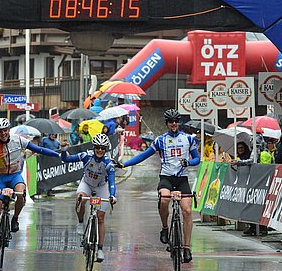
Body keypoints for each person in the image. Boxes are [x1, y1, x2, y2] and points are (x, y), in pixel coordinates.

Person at [117, 109, 200, 263]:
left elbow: (197, 159)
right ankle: (165, 228)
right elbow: (143, 155)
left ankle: (187, 247)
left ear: (179, 123)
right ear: (167, 124)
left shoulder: (188, 139)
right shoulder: (160, 140)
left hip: (182, 179)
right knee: (164, 200)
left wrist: (188, 162)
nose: (173, 124)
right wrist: (123, 165)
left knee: (187, 211)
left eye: (176, 121)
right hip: (166, 177)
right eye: (170, 122)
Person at [0, 118, 61, 260]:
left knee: (20, 193)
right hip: (0, 177)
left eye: (5, 130)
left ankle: (15, 219)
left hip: (14, 176)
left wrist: (57, 154)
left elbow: (39, 149)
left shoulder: (19, 140)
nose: (3, 133)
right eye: (0, 131)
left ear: (9, 130)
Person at [60, 133, 117, 263]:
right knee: (80, 198)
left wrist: (112, 195)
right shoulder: (86, 156)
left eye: (103, 148)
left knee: (101, 218)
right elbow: (66, 159)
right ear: (94, 147)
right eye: (98, 147)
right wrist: (64, 151)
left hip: (101, 187)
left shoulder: (108, 163)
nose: (100, 150)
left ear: (106, 149)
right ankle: (80, 222)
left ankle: (100, 249)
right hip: (86, 183)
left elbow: (112, 182)